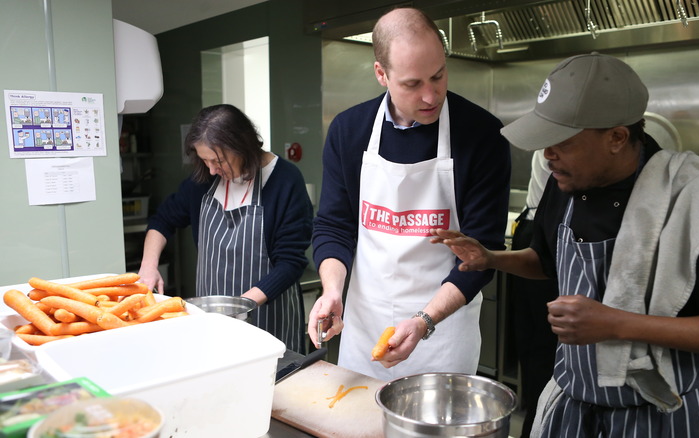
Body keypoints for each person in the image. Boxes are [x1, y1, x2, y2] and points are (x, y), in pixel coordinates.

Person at [431, 52, 699, 437]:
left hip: (664, 414)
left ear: (616, 137)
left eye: (562, 142)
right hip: (575, 409)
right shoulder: (566, 182)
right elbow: (546, 262)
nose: (548, 156)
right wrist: (492, 258)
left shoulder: (698, 197)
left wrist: (616, 323)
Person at [307, 7, 510, 380]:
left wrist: (423, 322)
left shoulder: (481, 134)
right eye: (413, 84)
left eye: (439, 75)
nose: (431, 95)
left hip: (442, 336)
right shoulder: (349, 131)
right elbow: (334, 226)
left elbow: (481, 253)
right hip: (364, 332)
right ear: (381, 74)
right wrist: (332, 290)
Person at [139, 104, 313, 353]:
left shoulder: (285, 181)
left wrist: (238, 308)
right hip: (214, 322)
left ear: (242, 146)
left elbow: (290, 263)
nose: (211, 169)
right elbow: (163, 220)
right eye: (204, 160)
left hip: (267, 320)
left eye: (218, 160)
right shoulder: (205, 181)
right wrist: (149, 266)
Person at [506, 149, 557, 438]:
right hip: (537, 232)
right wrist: (489, 257)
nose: (552, 155)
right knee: (539, 345)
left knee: (539, 345)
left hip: (533, 230)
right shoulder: (556, 146)